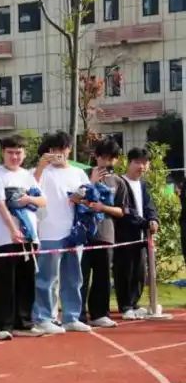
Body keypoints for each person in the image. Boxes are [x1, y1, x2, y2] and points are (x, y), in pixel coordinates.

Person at [0, 134, 46, 341]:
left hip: (29, 237)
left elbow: (41, 200)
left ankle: (24, 322)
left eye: (18, 152)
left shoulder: (27, 176)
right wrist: (12, 229)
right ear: (3, 153)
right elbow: (0, 204)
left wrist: (29, 199)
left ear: (24, 154)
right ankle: (3, 325)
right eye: (10, 152)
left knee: (26, 280)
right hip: (4, 238)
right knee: (5, 282)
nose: (14, 156)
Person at [30, 131, 90, 334]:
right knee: (47, 277)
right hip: (48, 232)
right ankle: (43, 317)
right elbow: (31, 189)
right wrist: (40, 166)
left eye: (61, 149)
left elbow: (88, 197)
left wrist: (79, 198)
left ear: (69, 150)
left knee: (74, 276)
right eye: (53, 150)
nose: (57, 154)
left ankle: (71, 316)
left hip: (73, 232)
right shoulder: (42, 172)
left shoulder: (78, 173)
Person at [79, 137, 127, 328]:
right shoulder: (82, 175)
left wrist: (103, 207)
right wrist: (91, 185)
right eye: (104, 157)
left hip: (106, 234)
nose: (107, 162)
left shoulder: (118, 182)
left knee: (102, 276)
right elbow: (76, 199)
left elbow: (121, 211)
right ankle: (77, 314)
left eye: (112, 158)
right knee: (80, 276)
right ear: (96, 156)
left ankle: (100, 313)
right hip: (83, 234)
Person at [113, 148, 159, 319]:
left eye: (145, 162)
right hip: (125, 236)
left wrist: (153, 219)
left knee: (140, 272)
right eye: (137, 162)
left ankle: (134, 303)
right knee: (125, 270)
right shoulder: (120, 182)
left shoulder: (142, 185)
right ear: (129, 162)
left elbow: (149, 206)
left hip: (142, 238)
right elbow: (125, 211)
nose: (141, 166)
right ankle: (125, 306)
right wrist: (144, 223)